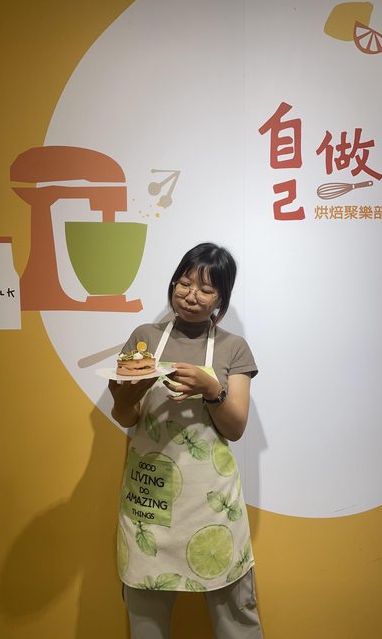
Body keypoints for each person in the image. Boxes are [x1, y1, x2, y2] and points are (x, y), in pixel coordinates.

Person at [109, 243, 263, 639]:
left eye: (206, 289)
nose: (190, 295)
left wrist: (212, 389)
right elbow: (126, 417)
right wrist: (124, 397)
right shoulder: (144, 338)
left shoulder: (233, 347)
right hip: (150, 499)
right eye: (184, 283)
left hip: (211, 503)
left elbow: (235, 427)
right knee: (146, 619)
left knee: (236, 620)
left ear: (221, 299)